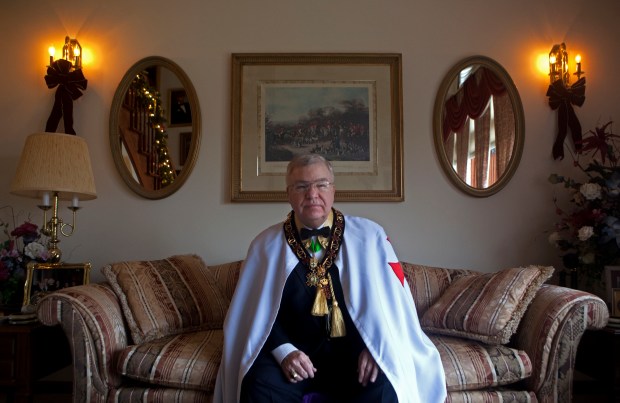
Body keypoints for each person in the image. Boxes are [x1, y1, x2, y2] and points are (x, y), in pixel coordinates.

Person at [214, 154, 446, 403]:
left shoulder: (371, 237)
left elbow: (392, 308)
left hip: (355, 359)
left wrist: (375, 347)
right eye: (301, 186)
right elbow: (254, 317)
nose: (312, 194)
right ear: (289, 194)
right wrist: (284, 352)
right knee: (257, 384)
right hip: (295, 359)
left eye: (321, 184)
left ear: (333, 190)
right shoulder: (264, 246)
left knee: (387, 385)